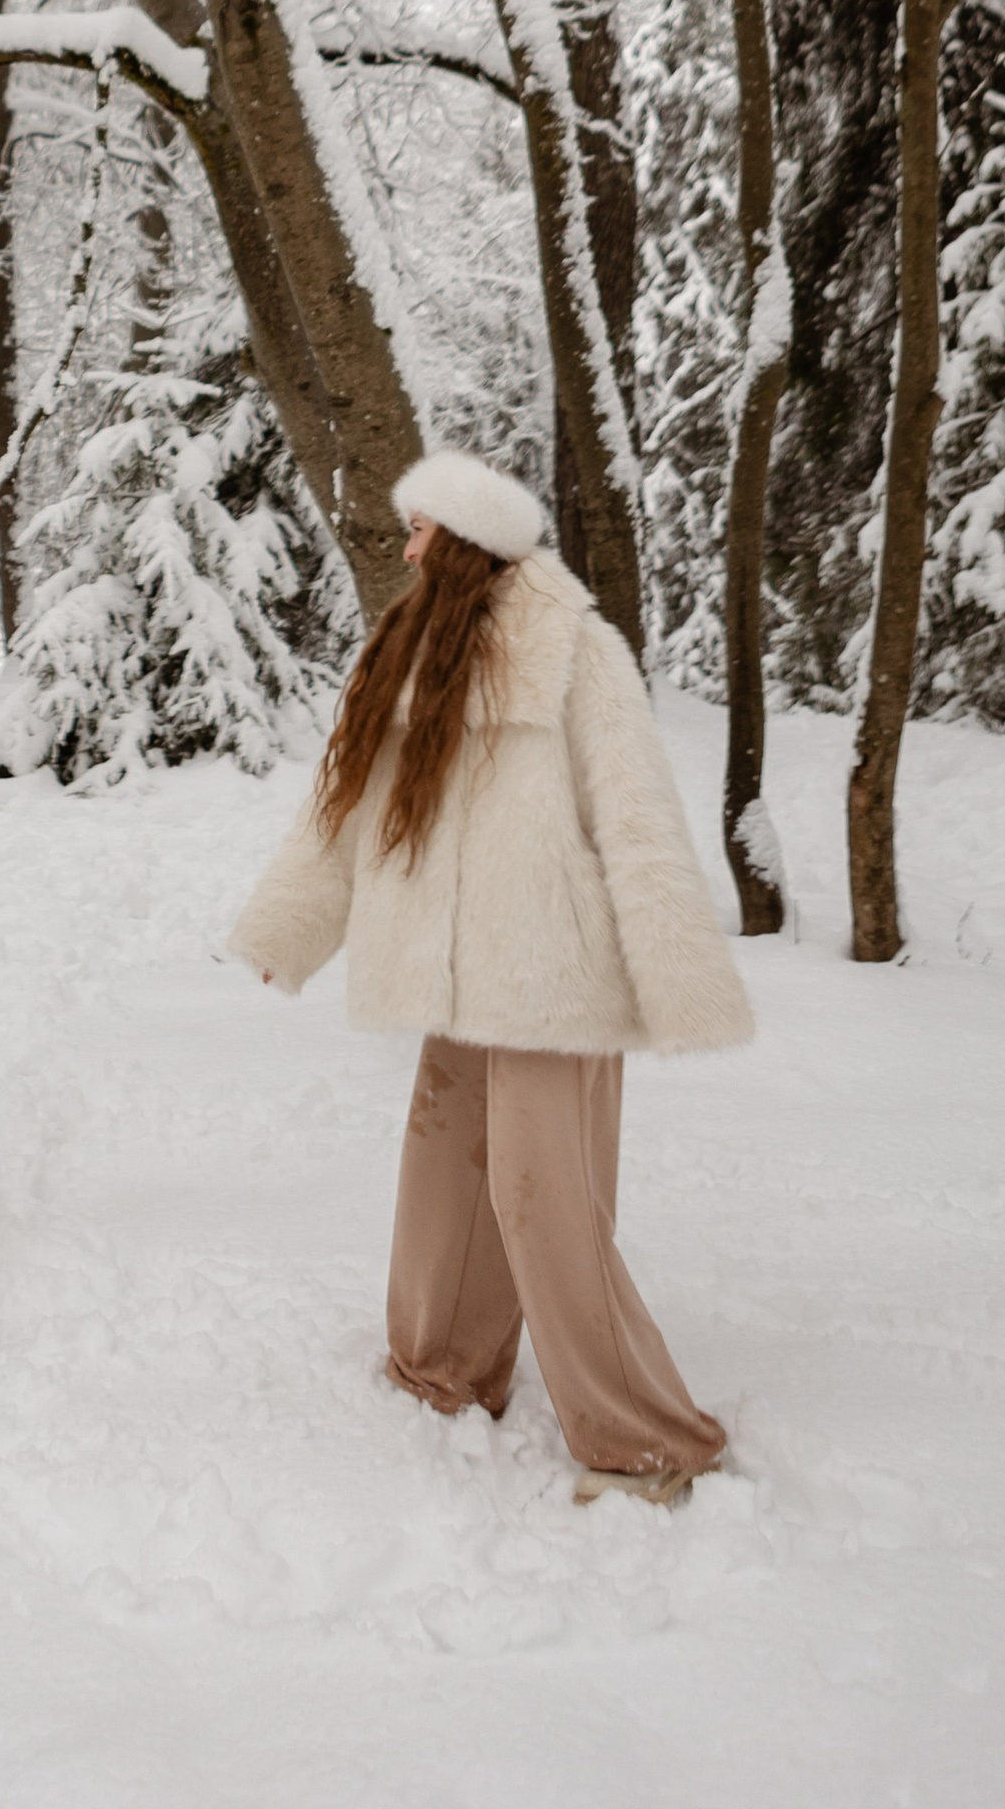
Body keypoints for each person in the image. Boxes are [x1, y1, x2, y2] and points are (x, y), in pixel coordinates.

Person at [230, 451, 752, 1503]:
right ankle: (443, 1373)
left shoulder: (575, 649)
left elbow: (637, 818)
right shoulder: (409, 650)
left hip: (557, 978)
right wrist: (284, 928)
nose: (406, 546)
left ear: (466, 546)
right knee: (446, 1182)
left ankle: (643, 1438)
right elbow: (345, 814)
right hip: (452, 972)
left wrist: (678, 978)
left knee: (543, 1198)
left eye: (421, 530)